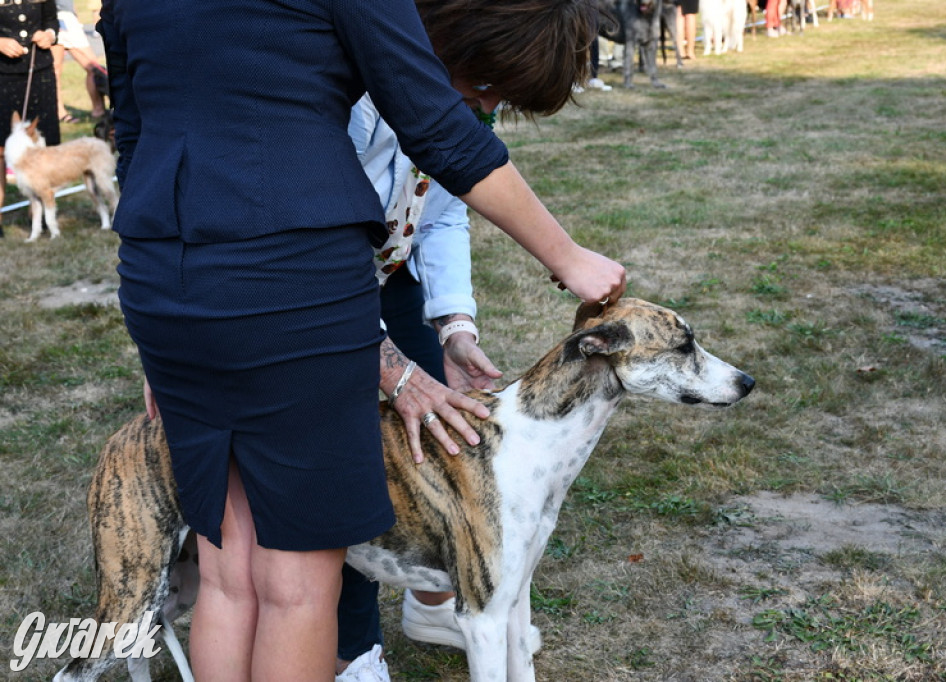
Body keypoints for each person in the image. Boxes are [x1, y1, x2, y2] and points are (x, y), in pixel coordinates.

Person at [99, 2, 626, 681]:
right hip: (292, 280)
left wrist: (164, 330)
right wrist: (568, 257)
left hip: (162, 278)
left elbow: (135, 136)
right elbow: (440, 129)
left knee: (230, 578)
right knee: (295, 587)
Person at [335, 4, 611, 678]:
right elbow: (319, 251)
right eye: (485, 82)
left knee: (434, 443)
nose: (486, 105)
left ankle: (436, 598)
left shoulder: (461, 101)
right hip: (320, 281)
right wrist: (389, 371)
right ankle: (349, 649)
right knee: (341, 463)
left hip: (391, 277)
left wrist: (453, 325)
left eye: (500, 99)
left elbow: (445, 209)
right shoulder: (348, 99)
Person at [0, 0, 59, 237]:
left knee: (43, 146)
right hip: (1, 77)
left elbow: (52, 21)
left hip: (39, 74)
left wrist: (49, 35)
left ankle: (40, 213)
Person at [52, 0, 106, 121]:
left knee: (93, 67)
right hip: (55, 17)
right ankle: (59, 112)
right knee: (56, 69)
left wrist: (75, 15)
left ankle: (98, 109)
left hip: (67, 17)